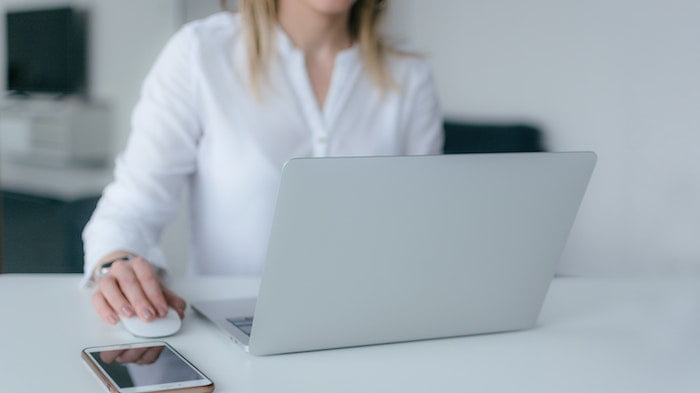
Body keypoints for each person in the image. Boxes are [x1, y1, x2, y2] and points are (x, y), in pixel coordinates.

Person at [82, 0, 443, 325]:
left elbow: (424, 227)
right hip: (235, 329)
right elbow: (132, 206)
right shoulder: (200, 54)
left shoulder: (409, 74)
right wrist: (116, 263)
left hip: (372, 324)